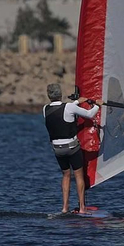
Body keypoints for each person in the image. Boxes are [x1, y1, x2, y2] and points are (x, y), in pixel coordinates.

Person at [43, 83, 101, 214]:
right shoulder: (69, 107)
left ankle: (64, 208)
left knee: (66, 175)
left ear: (48, 96)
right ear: (61, 94)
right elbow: (90, 114)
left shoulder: (45, 109)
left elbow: (61, 110)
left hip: (57, 149)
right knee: (78, 175)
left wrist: (76, 101)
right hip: (71, 147)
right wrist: (98, 104)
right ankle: (82, 208)